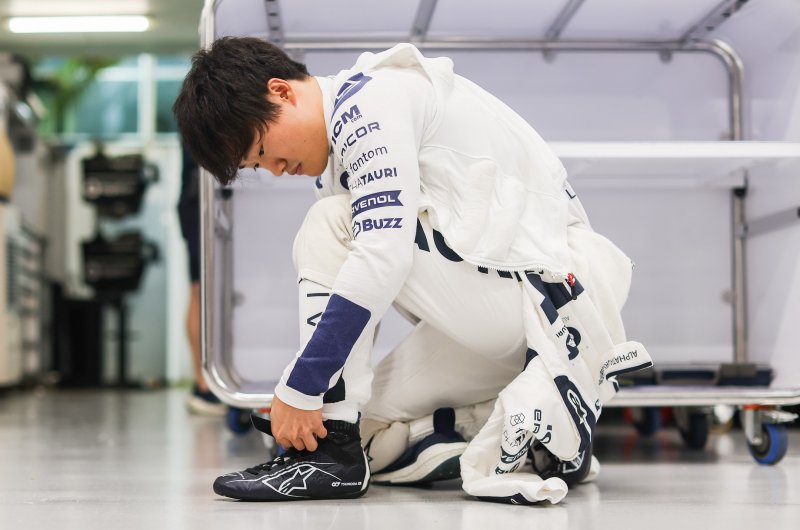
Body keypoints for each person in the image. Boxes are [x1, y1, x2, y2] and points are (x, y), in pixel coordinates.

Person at [173, 37, 651, 504]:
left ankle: (332, 455)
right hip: (499, 324)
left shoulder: (368, 99)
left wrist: (302, 387)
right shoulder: (337, 160)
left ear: (281, 91)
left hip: (543, 305)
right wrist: (311, 400)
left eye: (261, 149)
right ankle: (521, 433)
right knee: (366, 430)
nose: (275, 169)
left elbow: (383, 256)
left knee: (330, 224)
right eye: (257, 167)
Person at [177, 146, 226, 416]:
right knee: (200, 289)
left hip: (214, 192)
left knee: (217, 289)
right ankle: (204, 386)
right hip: (200, 195)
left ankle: (216, 381)